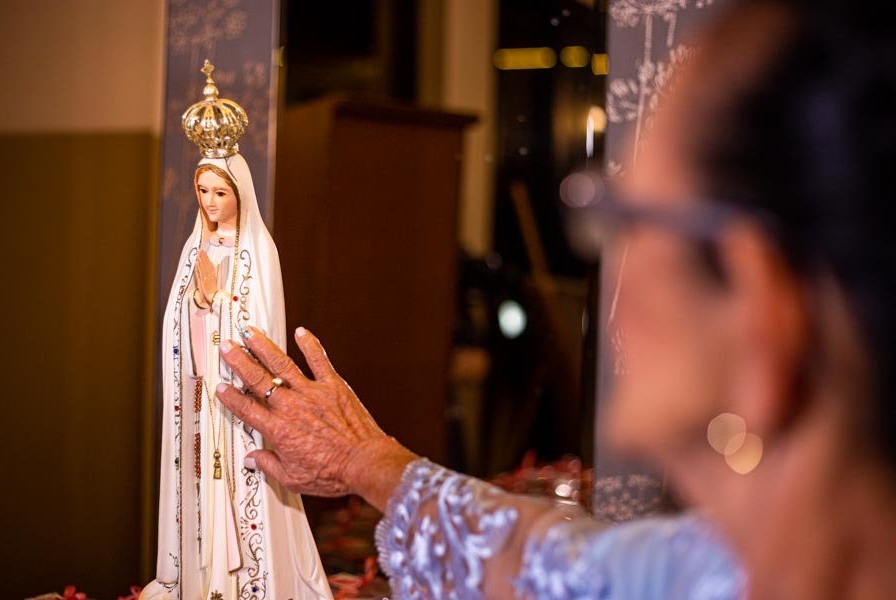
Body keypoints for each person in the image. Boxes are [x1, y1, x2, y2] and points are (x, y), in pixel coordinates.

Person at [216, 1, 896, 598]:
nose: (615, 284)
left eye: (630, 221)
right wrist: (363, 460)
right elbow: (549, 561)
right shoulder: (719, 563)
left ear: (758, 311)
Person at [141, 62, 331, 600]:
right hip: (203, 399)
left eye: (219, 192)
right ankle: (201, 580)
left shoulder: (258, 252)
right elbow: (177, 324)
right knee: (200, 486)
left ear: (239, 193)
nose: (209, 202)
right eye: (202, 191)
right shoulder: (193, 251)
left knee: (248, 490)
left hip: (241, 403)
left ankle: (252, 581)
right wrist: (198, 302)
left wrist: (217, 299)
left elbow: (260, 329)